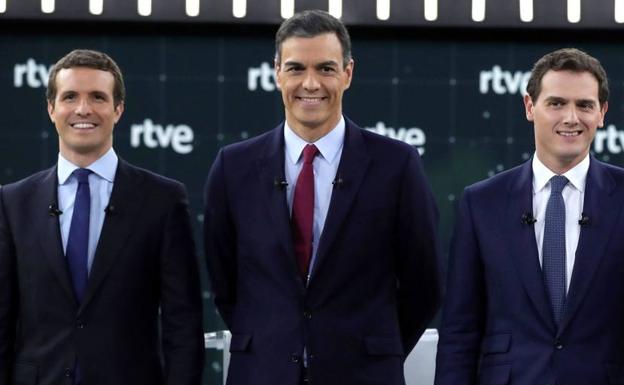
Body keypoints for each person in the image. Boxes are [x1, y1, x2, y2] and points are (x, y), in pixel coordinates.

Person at [204, 9, 440, 385]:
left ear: (348, 73)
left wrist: (371, 348)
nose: (310, 84)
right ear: (277, 72)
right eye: (296, 68)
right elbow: (225, 281)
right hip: (262, 373)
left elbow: (424, 283)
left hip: (364, 374)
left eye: (326, 69)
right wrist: (276, 344)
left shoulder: (396, 165)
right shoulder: (234, 167)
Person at [0, 49, 204, 385]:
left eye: (97, 97)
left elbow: (183, 323)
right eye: (70, 97)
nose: (83, 109)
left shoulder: (162, 200)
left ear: (118, 109)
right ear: (51, 109)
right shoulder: (13, 202)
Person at [435, 48, 622, 385]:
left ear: (602, 113)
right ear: (529, 107)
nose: (571, 118)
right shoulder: (481, 203)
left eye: (584, 105)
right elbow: (460, 331)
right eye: (556, 103)